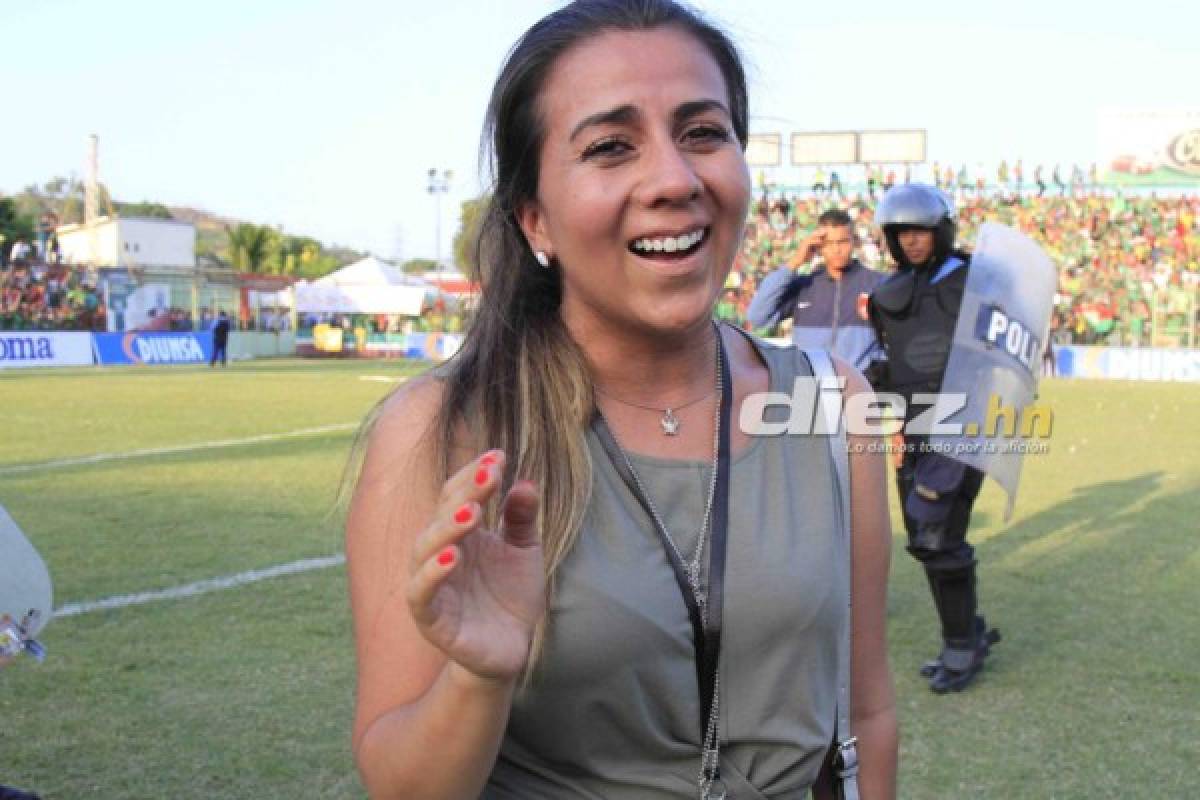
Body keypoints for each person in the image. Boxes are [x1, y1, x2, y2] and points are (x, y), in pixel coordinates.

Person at [346, 2, 897, 798]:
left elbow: (868, 711)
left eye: (704, 132)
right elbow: (401, 785)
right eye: (610, 147)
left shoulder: (836, 406)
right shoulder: (443, 431)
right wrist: (477, 679)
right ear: (535, 217)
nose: (675, 179)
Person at [866, 183, 1000, 694]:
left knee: (937, 532)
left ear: (940, 230)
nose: (911, 241)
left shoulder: (975, 283)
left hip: (963, 428)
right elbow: (894, 362)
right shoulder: (890, 292)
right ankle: (965, 631)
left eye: (919, 230)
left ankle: (962, 647)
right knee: (924, 542)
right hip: (913, 431)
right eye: (901, 233)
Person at [747, 208, 884, 371]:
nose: (836, 249)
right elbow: (757, 316)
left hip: (860, 388)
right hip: (810, 387)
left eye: (843, 241)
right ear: (818, 246)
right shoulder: (804, 286)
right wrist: (795, 262)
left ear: (854, 241)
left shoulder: (877, 283)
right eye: (828, 243)